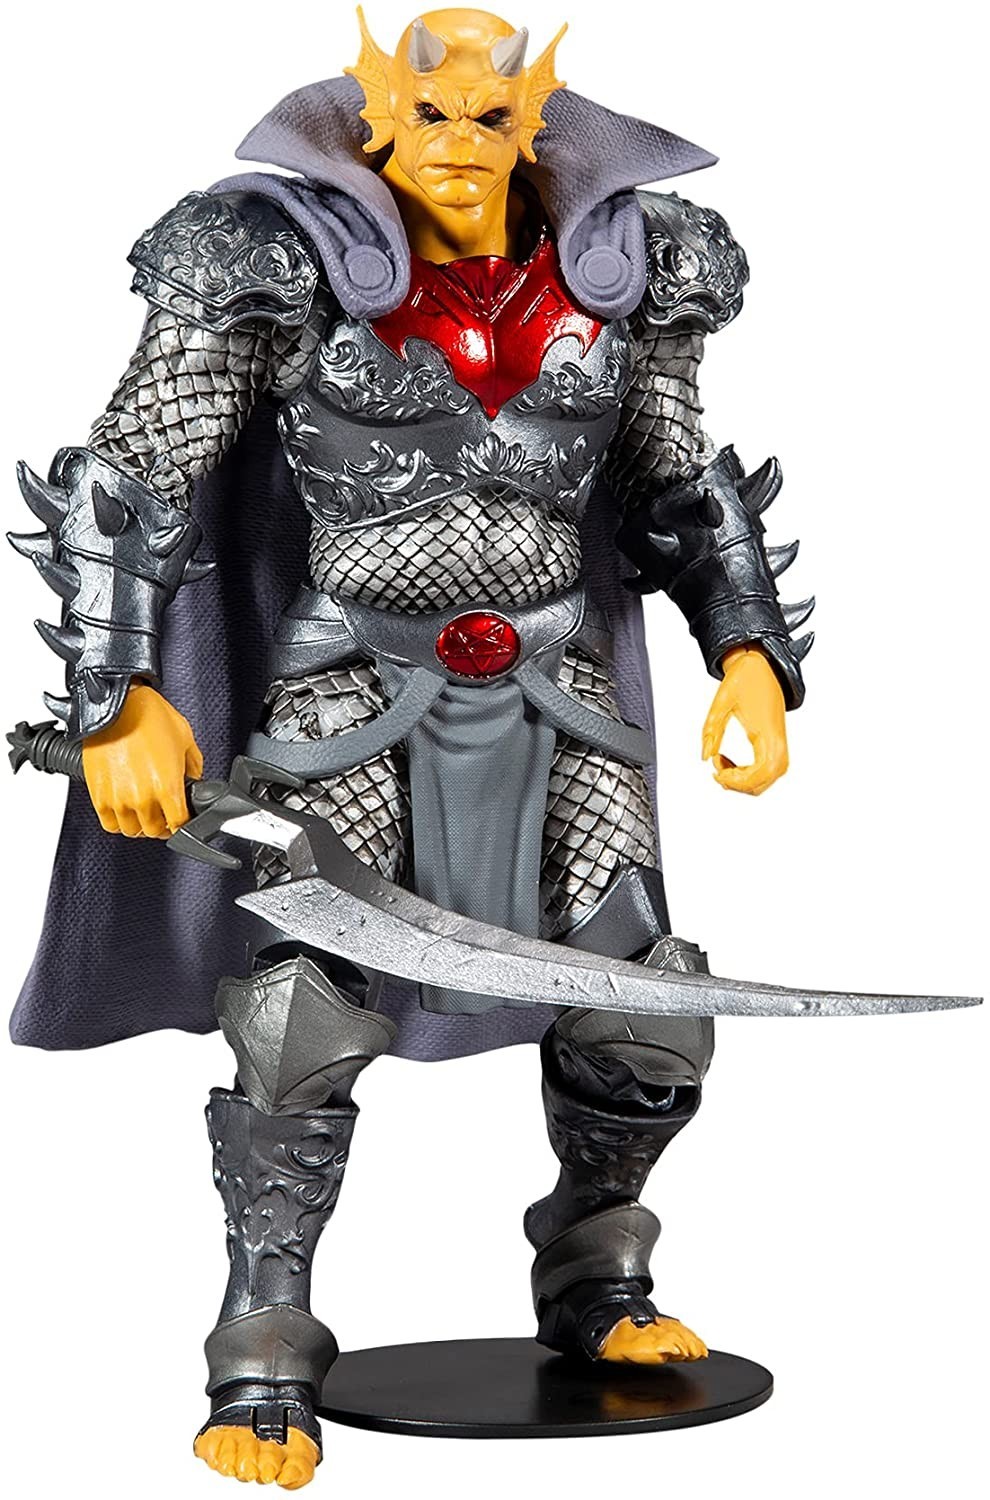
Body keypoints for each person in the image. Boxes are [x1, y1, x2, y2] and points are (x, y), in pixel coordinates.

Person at [10, 10, 812, 1487]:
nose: (459, 143)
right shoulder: (269, 261)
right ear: (376, 120)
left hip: (559, 680)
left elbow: (674, 476)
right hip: (345, 681)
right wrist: (116, 697)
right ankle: (263, 1335)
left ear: (535, 126)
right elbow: (132, 477)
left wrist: (748, 655)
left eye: (491, 119)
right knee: (300, 1009)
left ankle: (596, 1269)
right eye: (428, 116)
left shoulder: (629, 269)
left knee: (640, 996)